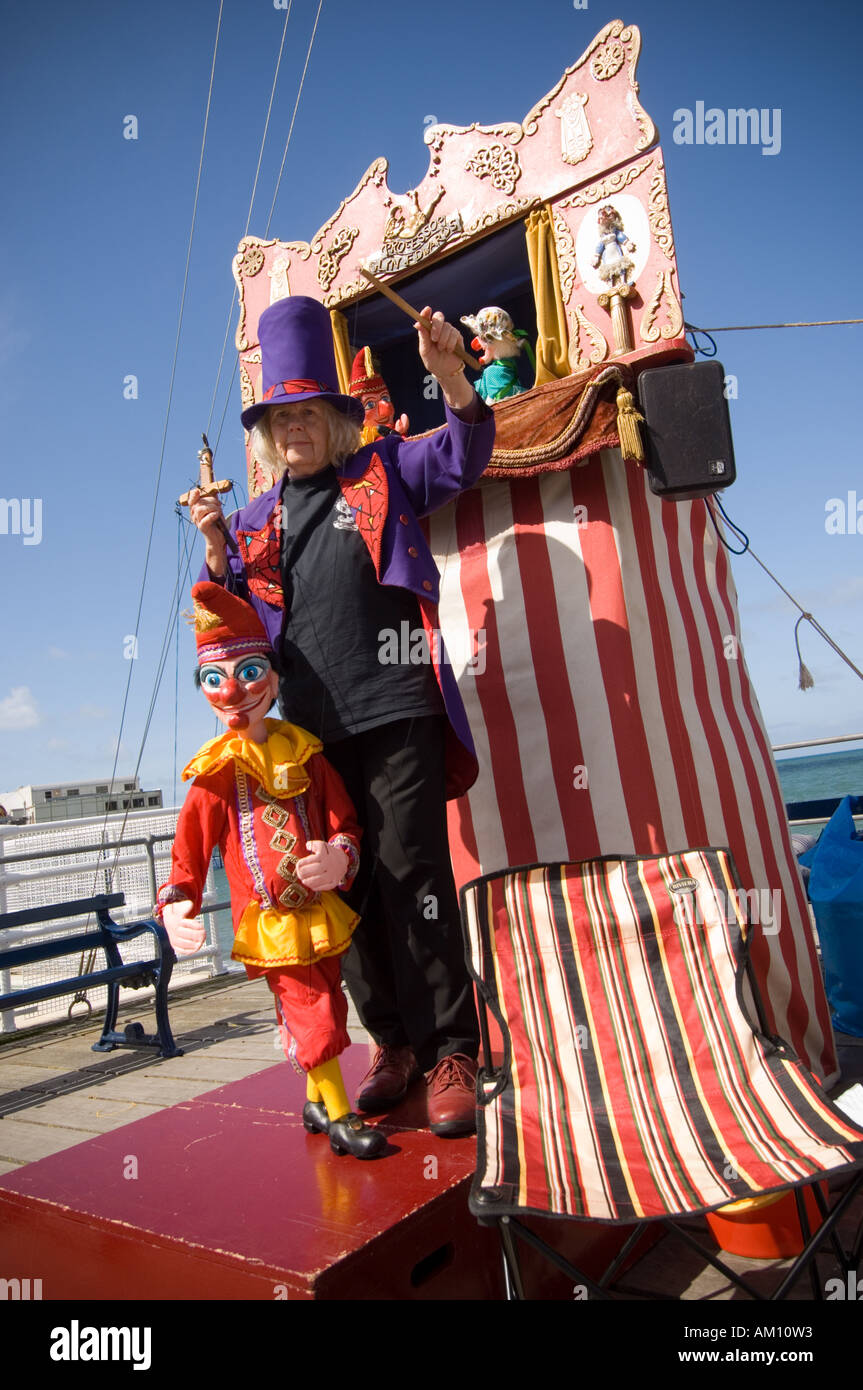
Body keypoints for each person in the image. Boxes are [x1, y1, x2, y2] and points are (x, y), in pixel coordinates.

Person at [188, 295, 495, 1135]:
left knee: (414, 880)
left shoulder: (386, 471)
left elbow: (464, 458)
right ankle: (389, 1045)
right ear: (267, 434)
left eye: (311, 412)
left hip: (396, 710)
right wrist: (217, 554)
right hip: (311, 736)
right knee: (342, 888)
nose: (297, 428)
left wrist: (451, 384)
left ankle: (450, 1053)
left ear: (335, 417)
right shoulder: (253, 523)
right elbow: (240, 630)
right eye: (282, 417)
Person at [156, 580, 385, 1158]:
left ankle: (314, 1095)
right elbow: (190, 849)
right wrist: (176, 899)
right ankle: (340, 1116)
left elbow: (345, 821)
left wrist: (339, 855)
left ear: (275, 677)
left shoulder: (307, 754)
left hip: (320, 912)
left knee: (330, 997)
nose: (233, 690)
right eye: (214, 679)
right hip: (270, 919)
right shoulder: (214, 776)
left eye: (249, 671)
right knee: (313, 1010)